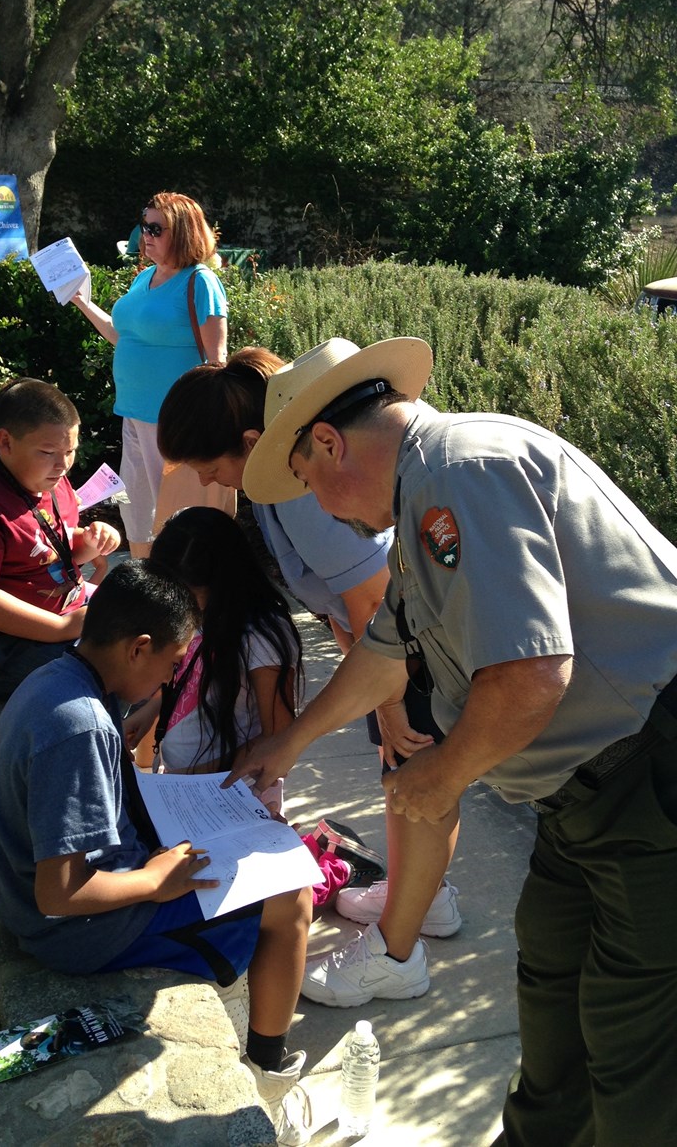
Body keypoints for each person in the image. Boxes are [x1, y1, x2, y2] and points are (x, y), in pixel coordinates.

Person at [233, 335, 677, 1146]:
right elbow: (384, 653)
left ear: (328, 443)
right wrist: (288, 742)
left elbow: (531, 674)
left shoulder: (456, 471)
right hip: (600, 789)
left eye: (306, 483)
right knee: (554, 1001)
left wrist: (441, 772)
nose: (320, 508)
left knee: (645, 1054)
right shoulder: (421, 504)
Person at [155, 347, 461, 1006]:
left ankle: (395, 956)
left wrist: (385, 702)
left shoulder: (292, 488)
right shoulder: (277, 478)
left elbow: (372, 598)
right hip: (401, 637)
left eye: (212, 468)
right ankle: (423, 899)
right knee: (406, 779)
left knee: (417, 782)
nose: (214, 483)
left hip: (413, 641)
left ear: (246, 442)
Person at [0, 561, 313, 1145]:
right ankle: (269, 1067)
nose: (169, 679)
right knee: (293, 897)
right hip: (78, 932)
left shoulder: (61, 680)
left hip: (66, 894)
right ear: (138, 649)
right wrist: (157, 881)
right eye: (171, 663)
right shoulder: (81, 727)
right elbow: (59, 894)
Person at [0, 378, 121, 699]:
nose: (63, 465)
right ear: (5, 442)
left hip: (64, 617)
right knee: (115, 669)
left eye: (70, 451)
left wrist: (89, 542)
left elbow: (47, 548)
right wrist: (61, 629)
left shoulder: (51, 479)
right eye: (48, 452)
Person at [71, 192, 233, 557]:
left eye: (156, 228)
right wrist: (82, 301)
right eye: (144, 226)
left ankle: (192, 592)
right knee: (138, 510)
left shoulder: (200, 281)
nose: (146, 234)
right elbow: (122, 335)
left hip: (178, 422)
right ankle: (150, 585)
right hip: (135, 413)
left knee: (184, 516)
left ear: (184, 232)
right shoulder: (145, 278)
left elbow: (217, 360)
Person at [124, 507, 302, 810]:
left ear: (224, 583)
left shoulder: (261, 636)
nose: (177, 606)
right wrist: (151, 711)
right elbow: (195, 681)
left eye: (187, 595)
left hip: (236, 795)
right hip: (187, 785)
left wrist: (199, 775)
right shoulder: (204, 616)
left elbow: (280, 740)